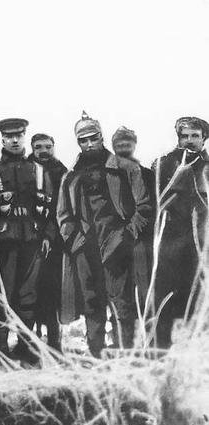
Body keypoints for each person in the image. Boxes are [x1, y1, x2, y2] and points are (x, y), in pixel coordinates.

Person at [57, 112, 152, 357]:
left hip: (117, 244)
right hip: (85, 247)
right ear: (78, 142)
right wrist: (75, 242)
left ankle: (125, 353)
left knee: (121, 302)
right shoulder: (71, 176)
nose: (89, 144)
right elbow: (64, 215)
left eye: (93, 138)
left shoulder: (126, 168)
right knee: (91, 302)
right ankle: (96, 352)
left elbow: (143, 208)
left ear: (101, 137)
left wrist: (127, 236)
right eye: (83, 140)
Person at [0, 118, 56, 358]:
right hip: (3, 244)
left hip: (32, 242)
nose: (14, 140)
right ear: (2, 139)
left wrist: (48, 237)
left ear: (24, 137)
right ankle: (1, 346)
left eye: (19, 135)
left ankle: (26, 345)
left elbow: (51, 209)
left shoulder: (39, 171)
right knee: (3, 294)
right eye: (9, 136)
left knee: (28, 295)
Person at [150, 116, 209, 347]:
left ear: (204, 139)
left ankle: (195, 349)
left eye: (195, 136)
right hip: (170, 241)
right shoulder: (164, 164)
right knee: (165, 294)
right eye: (185, 136)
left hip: (201, 242)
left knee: (198, 295)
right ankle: (161, 347)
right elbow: (157, 201)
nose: (190, 141)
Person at [28, 133, 68, 351]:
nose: (43, 151)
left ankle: (54, 341)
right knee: (30, 291)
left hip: (55, 244)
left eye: (48, 146)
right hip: (29, 241)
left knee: (52, 292)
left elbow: (62, 208)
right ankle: (32, 341)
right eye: (38, 147)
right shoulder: (26, 170)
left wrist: (51, 235)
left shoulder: (62, 172)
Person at [111, 126, 156, 317]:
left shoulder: (147, 174)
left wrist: (135, 229)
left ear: (134, 145)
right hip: (114, 239)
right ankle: (123, 337)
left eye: (127, 144)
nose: (123, 148)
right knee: (119, 288)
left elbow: (151, 205)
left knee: (143, 285)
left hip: (141, 239)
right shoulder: (108, 174)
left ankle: (145, 333)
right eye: (119, 145)